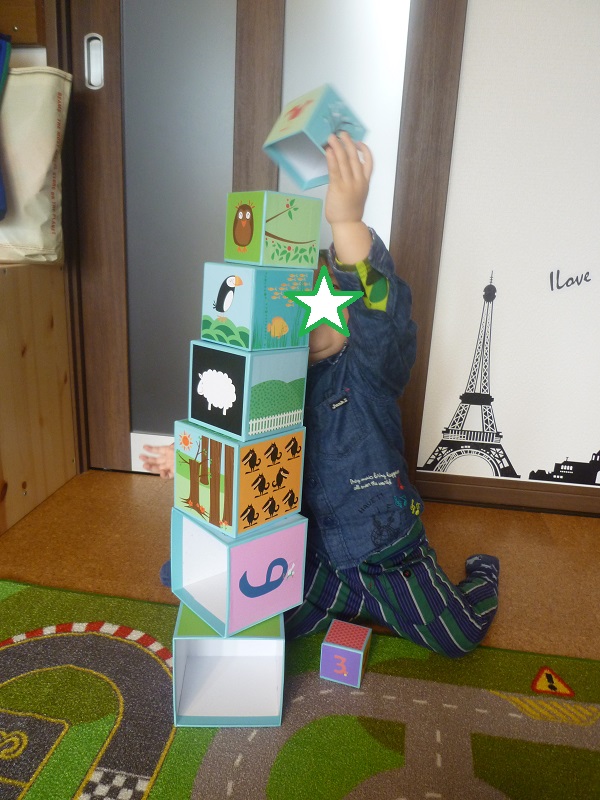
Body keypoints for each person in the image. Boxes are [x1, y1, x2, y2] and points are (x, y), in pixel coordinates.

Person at [143, 131, 500, 657]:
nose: (302, 321)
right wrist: (192, 454)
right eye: (284, 308)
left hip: (382, 552)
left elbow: (383, 316)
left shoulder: (367, 367)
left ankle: (480, 577)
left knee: (457, 637)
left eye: (316, 301)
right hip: (307, 552)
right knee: (226, 599)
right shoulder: (269, 379)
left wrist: (347, 222)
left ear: (345, 309)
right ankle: (332, 598)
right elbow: (236, 441)